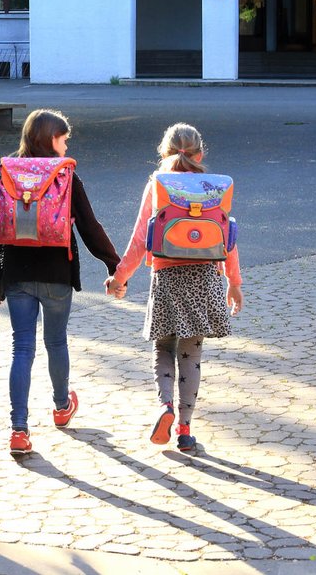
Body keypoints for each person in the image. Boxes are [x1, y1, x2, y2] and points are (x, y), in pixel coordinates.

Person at [0, 109, 120, 457]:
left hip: (17, 275)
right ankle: (61, 406)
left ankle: (18, 429)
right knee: (56, 341)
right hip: (57, 274)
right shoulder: (65, 175)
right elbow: (89, 227)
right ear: (50, 139)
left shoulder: (8, 172)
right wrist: (114, 265)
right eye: (63, 139)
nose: (66, 145)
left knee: (22, 348)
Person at [105, 123, 243, 453]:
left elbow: (141, 237)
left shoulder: (158, 184)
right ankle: (184, 429)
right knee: (191, 354)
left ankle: (165, 405)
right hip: (205, 277)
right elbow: (228, 237)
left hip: (167, 276)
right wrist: (234, 282)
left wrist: (120, 278)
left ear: (164, 153)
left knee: (163, 347)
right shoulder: (215, 187)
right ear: (200, 154)